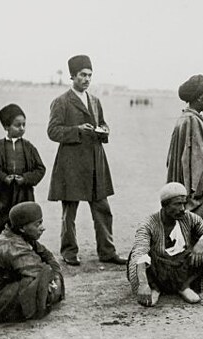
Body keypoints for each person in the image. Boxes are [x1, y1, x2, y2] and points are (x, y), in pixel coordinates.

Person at [47, 54, 125, 266]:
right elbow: (53, 131)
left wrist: (104, 130)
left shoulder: (95, 101)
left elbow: (103, 124)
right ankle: (69, 252)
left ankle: (107, 252)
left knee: (103, 209)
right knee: (69, 211)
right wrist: (77, 130)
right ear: (72, 76)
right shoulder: (61, 102)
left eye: (90, 75)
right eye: (82, 75)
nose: (87, 79)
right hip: (71, 164)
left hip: (95, 163)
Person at [126, 182, 203, 307]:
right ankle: (154, 288)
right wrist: (143, 283)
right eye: (177, 204)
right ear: (164, 205)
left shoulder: (189, 218)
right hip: (159, 268)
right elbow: (139, 252)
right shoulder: (148, 224)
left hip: (182, 267)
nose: (182, 209)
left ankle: (183, 286)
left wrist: (202, 241)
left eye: (184, 203)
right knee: (139, 257)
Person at [0, 202, 64, 322]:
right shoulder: (12, 244)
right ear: (22, 228)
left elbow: (48, 256)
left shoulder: (21, 235)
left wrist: (54, 277)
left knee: (44, 282)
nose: (42, 228)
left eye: (41, 222)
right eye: (38, 224)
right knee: (38, 282)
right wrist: (55, 280)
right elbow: (41, 271)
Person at [0, 104, 46, 245]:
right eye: (17, 125)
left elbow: (40, 169)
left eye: (24, 125)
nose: (22, 128)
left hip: (23, 195)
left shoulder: (29, 147)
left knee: (22, 228)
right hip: (0, 197)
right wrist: (3, 178)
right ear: (6, 127)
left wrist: (26, 179)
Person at [166, 74, 203, 229]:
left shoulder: (190, 118)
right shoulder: (191, 121)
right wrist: (196, 195)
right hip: (196, 193)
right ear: (199, 98)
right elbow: (197, 160)